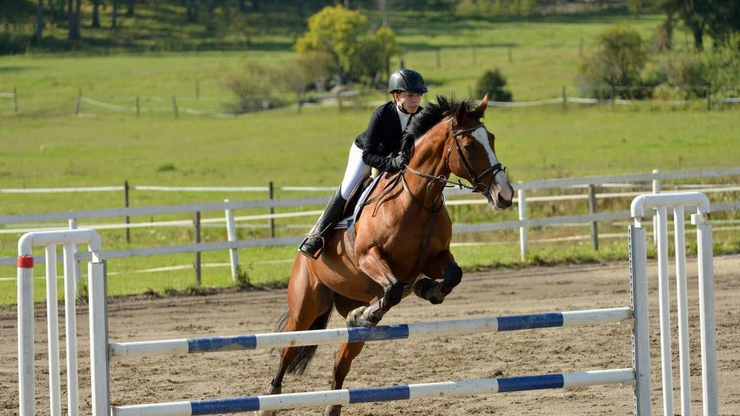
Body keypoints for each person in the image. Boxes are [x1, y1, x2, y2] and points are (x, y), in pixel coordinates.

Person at [298, 69, 428, 259]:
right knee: (348, 189)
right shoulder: (382, 115)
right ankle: (318, 235)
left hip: (398, 160)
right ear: (396, 95)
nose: (415, 100)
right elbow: (368, 155)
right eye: (410, 96)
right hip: (366, 153)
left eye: (418, 95)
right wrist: (391, 164)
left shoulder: (422, 117)